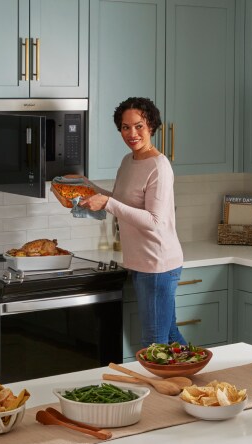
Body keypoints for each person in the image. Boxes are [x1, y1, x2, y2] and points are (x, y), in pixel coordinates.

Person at [77, 97, 186, 349]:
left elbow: (155, 222)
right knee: (169, 338)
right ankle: (195, 384)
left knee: (154, 344)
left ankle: (181, 386)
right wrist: (87, 185)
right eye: (125, 127)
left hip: (157, 264)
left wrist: (107, 203)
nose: (132, 133)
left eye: (139, 126)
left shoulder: (159, 166)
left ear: (152, 126)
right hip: (140, 262)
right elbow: (120, 200)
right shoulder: (128, 161)